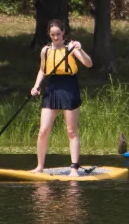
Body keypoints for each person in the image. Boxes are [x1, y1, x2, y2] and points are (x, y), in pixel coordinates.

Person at [30, 19, 93, 177]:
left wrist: (81, 49)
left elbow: (88, 64)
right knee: (43, 130)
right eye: (53, 34)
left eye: (58, 34)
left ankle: (74, 168)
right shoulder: (45, 50)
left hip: (68, 86)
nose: (56, 37)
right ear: (49, 35)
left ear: (63, 33)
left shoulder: (71, 48)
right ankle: (39, 166)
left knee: (71, 130)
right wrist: (36, 86)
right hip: (51, 87)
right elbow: (43, 70)